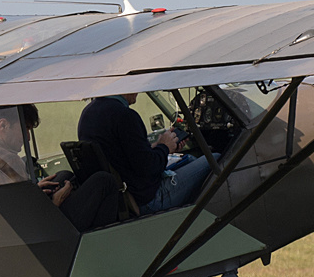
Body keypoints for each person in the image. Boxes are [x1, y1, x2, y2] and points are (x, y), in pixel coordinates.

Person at [77, 93, 214, 216]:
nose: (138, 91)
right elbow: (149, 168)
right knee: (215, 159)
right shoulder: (125, 116)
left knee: (189, 159)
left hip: (125, 195)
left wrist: (159, 147)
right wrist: (164, 147)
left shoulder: (88, 113)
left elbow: (123, 155)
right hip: (148, 200)